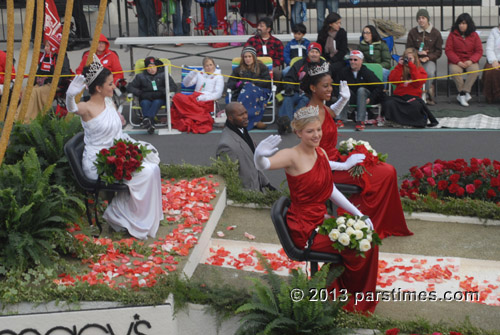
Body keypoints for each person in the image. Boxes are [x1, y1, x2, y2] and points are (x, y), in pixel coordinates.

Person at [253, 106, 379, 314]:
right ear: (299, 133)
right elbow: (264, 165)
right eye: (310, 131)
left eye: (318, 130)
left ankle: (342, 293)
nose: (316, 135)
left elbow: (329, 187)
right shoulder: (290, 156)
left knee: (367, 238)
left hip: (322, 218)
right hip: (305, 227)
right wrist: (259, 156)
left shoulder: (319, 151)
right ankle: (349, 301)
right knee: (361, 246)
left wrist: (357, 212)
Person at [300, 63, 413, 240]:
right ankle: (368, 223)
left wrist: (344, 99)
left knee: (387, 170)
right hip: (327, 170)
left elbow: (331, 113)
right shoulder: (310, 114)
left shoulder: (319, 107)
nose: (330, 89)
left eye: (331, 85)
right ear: (313, 88)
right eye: (325, 86)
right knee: (386, 172)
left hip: (335, 161)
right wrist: (344, 166)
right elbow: (310, 159)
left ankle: (376, 222)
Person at [65, 56, 163, 240]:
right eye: (110, 84)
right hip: (99, 162)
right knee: (147, 172)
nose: (114, 86)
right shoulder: (86, 107)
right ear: (98, 88)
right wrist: (70, 95)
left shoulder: (109, 102)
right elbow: (72, 108)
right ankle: (118, 214)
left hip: (117, 152)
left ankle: (137, 217)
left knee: (153, 168)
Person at [216, 102, 274, 191]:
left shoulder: (242, 130)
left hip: (256, 189)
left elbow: (252, 162)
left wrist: (266, 183)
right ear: (231, 118)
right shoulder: (226, 145)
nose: (246, 116)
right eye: (241, 115)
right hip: (246, 195)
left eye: (245, 112)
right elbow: (228, 178)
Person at [16, 33, 72, 123]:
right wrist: (35, 81)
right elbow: (38, 72)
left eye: (48, 46)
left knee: (34, 92)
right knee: (27, 90)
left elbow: (65, 74)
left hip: (55, 85)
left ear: (54, 46)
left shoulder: (62, 57)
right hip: (43, 83)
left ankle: (27, 119)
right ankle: (18, 116)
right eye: (45, 46)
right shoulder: (44, 57)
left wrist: (48, 80)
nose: (45, 48)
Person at [382, 48, 438, 128]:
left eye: (410, 58)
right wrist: (399, 66)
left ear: (415, 59)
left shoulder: (420, 69)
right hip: (399, 96)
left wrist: (412, 66)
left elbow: (418, 83)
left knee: (414, 105)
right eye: (406, 58)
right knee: (388, 102)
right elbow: (393, 80)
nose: (407, 60)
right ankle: (394, 121)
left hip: (413, 97)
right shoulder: (399, 68)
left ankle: (410, 122)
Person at [278, 42, 326, 134]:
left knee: (304, 100)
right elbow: (289, 78)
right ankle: (285, 122)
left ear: (320, 54)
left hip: (311, 93)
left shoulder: (324, 66)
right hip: (296, 90)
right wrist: (290, 88)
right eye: (312, 52)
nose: (314, 54)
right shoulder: (299, 63)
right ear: (308, 53)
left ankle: (293, 124)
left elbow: (325, 81)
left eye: (316, 52)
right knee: (288, 98)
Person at [170, 57, 223, 133]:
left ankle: (193, 116)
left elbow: (218, 94)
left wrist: (203, 98)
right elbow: (186, 84)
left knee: (187, 117)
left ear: (214, 65)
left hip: (206, 100)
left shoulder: (218, 76)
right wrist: (191, 75)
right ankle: (194, 115)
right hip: (194, 98)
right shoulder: (200, 74)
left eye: (211, 65)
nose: (209, 67)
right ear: (204, 67)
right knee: (177, 97)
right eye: (207, 66)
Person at [127, 56, 177, 134]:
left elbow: (173, 86)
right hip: (146, 97)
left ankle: (147, 119)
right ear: (146, 68)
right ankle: (150, 124)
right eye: (149, 67)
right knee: (144, 103)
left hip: (159, 98)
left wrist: (164, 91)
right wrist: (139, 92)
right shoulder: (140, 76)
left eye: (154, 66)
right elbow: (130, 87)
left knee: (156, 102)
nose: (152, 69)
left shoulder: (164, 75)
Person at [336, 50, 384, 131]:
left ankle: (360, 121)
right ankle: (339, 119)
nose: (352, 62)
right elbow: (336, 85)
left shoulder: (367, 72)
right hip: (351, 97)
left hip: (365, 97)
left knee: (361, 90)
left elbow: (380, 86)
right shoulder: (344, 71)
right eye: (351, 60)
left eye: (355, 60)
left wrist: (371, 98)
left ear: (361, 61)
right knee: (343, 89)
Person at [227, 46, 271, 130]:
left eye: (249, 56)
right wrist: (238, 84)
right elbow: (230, 83)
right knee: (247, 90)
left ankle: (242, 122)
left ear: (254, 57)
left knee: (249, 87)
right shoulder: (238, 70)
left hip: (260, 91)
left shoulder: (262, 67)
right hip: (242, 92)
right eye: (245, 57)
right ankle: (255, 121)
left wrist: (252, 83)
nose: (247, 59)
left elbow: (267, 82)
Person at [406, 9, 443, 106]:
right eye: (419, 18)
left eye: (423, 18)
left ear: (427, 19)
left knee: (429, 72)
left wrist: (428, 57)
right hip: (415, 59)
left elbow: (439, 51)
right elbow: (408, 48)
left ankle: (425, 92)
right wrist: (417, 53)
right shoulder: (413, 32)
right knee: (410, 71)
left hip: (429, 60)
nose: (421, 20)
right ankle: (412, 93)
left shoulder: (435, 33)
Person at [445, 13, 483, 107]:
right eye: (460, 23)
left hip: (470, 60)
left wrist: (471, 60)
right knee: (454, 71)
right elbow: (448, 50)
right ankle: (463, 95)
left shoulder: (474, 35)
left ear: (468, 24)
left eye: (464, 23)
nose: (461, 25)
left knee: (475, 70)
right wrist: (458, 61)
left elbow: (479, 51)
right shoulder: (452, 35)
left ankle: (463, 92)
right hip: (456, 61)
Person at [483, 23, 500, 103]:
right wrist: (494, 61)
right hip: (495, 60)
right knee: (491, 71)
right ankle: (492, 96)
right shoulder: (494, 32)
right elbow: (489, 49)